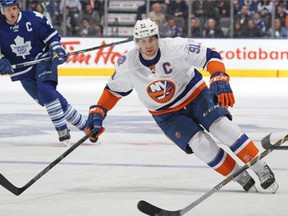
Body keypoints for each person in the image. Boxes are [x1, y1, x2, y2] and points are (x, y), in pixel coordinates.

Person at [85, 18, 278, 193]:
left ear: (157, 37)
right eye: (143, 41)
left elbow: (210, 55)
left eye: (151, 39)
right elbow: (113, 91)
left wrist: (219, 76)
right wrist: (99, 112)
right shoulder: (127, 64)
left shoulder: (175, 47)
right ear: (136, 42)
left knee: (223, 128)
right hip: (166, 114)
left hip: (195, 95)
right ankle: (239, 175)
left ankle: (261, 168)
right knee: (201, 146)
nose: (148, 45)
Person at [0, 0, 87, 145]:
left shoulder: (34, 18)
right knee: (47, 100)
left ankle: (62, 130)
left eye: (14, 8)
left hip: (42, 59)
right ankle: (86, 126)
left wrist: (57, 49)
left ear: (18, 8)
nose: (11, 12)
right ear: (2, 10)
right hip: (22, 70)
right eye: (7, 10)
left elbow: (52, 37)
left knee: (45, 89)